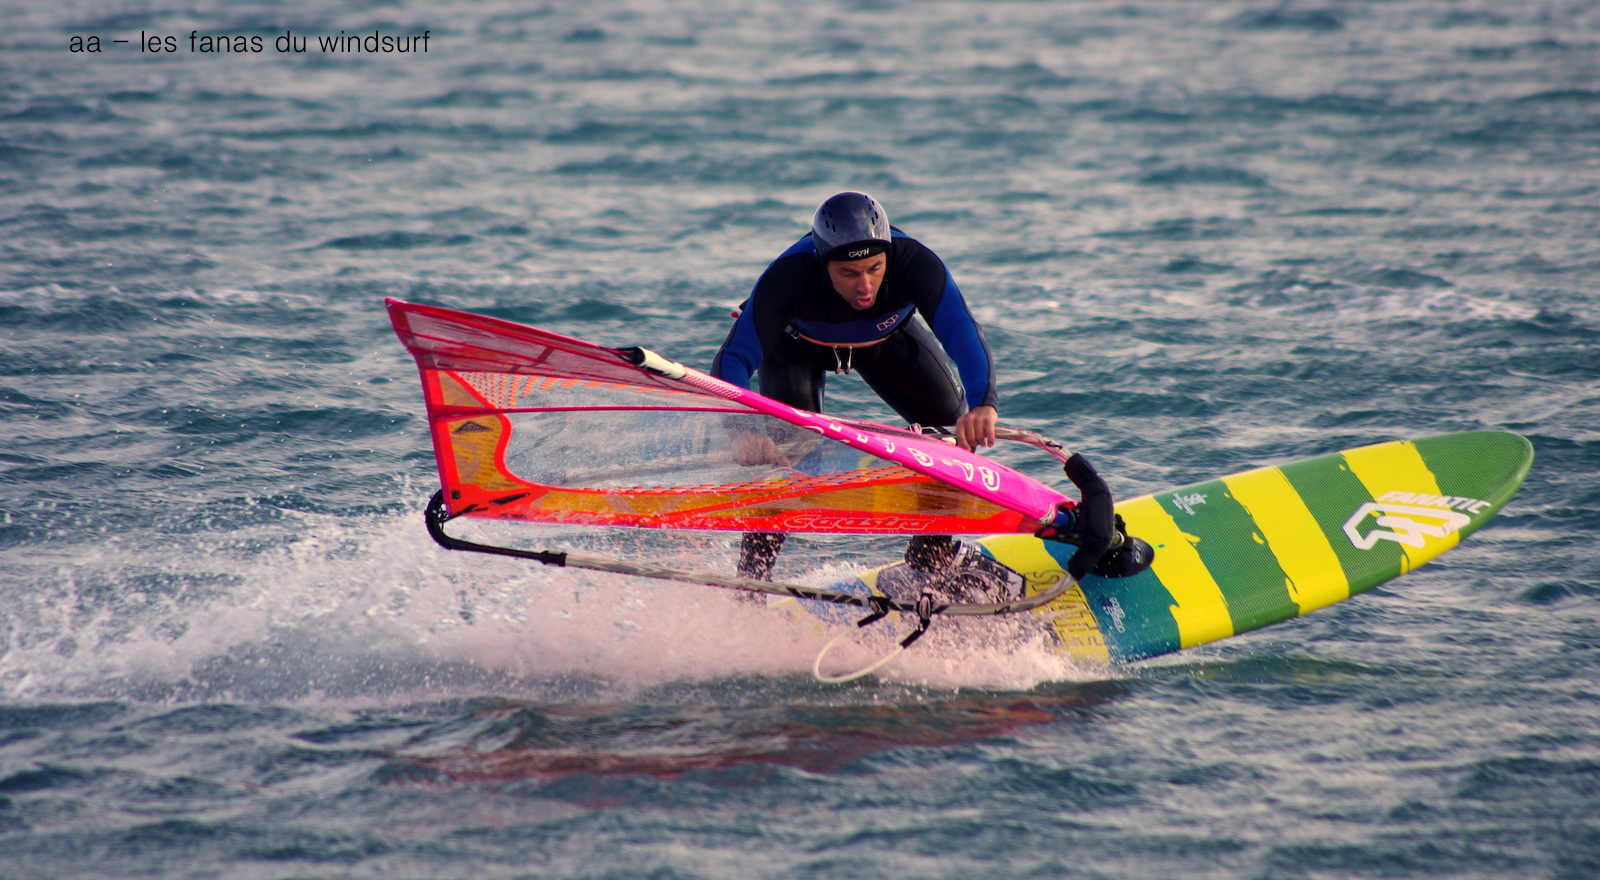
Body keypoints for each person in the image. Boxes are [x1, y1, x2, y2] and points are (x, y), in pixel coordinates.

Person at [711, 191, 1001, 581]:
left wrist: (984, 402)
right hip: (795, 351)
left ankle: (931, 556)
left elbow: (961, 329)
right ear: (823, 263)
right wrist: (742, 429)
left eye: (875, 269)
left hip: (885, 342)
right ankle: (751, 581)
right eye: (849, 273)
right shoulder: (788, 276)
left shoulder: (915, 262)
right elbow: (733, 357)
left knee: (951, 431)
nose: (865, 285)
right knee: (788, 454)